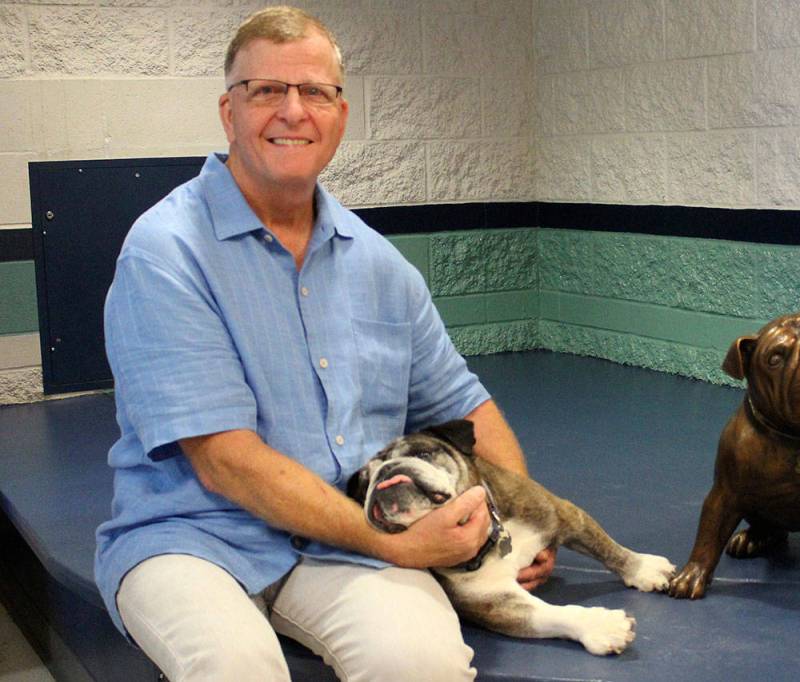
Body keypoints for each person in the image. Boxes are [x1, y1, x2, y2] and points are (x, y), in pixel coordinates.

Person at [94, 6, 554, 680]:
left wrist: (511, 520)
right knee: (237, 666)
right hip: (190, 536)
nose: (292, 111)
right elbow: (227, 461)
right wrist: (391, 545)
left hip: (344, 541)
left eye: (314, 92)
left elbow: (466, 408)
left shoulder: (380, 267)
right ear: (229, 112)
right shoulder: (166, 253)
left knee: (421, 662)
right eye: (266, 91)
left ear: (339, 116)